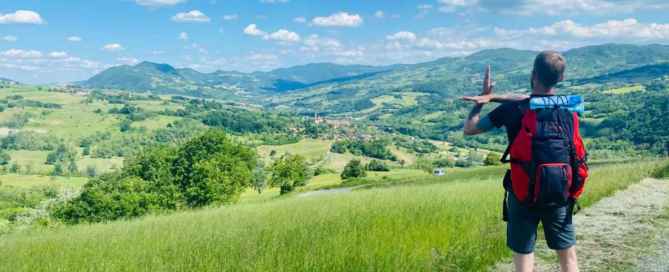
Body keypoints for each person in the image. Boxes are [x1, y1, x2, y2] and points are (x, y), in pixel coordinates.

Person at [462, 51, 585, 272]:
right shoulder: (571, 106)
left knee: (524, 258)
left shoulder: (512, 109)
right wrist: (495, 96)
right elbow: (532, 99)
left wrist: (483, 100)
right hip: (559, 192)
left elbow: (470, 129)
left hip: (522, 193)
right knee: (569, 259)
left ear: (533, 74)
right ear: (561, 78)